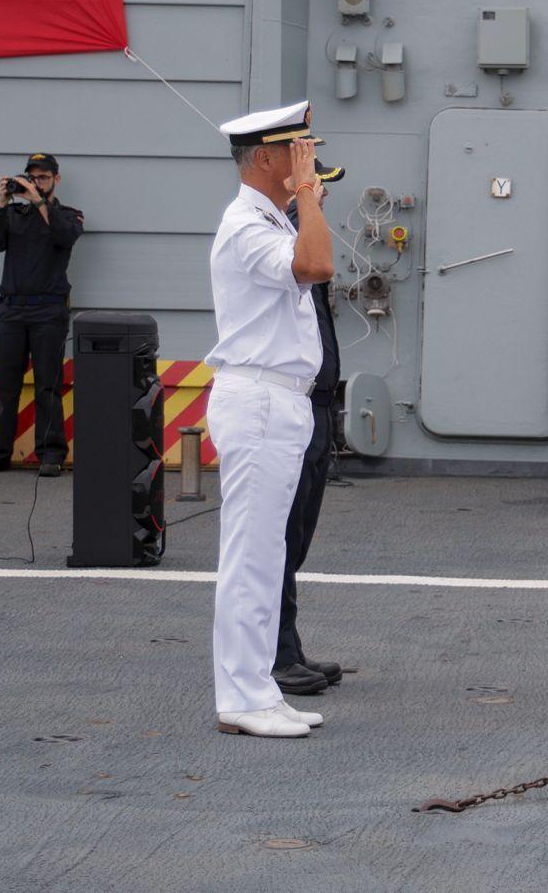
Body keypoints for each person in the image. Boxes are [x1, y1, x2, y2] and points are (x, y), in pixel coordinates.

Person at [206, 101, 334, 738]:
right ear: (265, 158)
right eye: (297, 153)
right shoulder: (246, 225)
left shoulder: (267, 219)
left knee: (265, 552)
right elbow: (317, 266)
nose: (305, 164)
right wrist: (308, 196)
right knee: (251, 556)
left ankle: (258, 687)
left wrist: (303, 197)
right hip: (257, 400)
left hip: (279, 400)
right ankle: (240, 697)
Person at [273, 159, 347, 697]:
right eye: (318, 186)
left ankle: (288, 647)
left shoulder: (306, 237)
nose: (324, 196)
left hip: (318, 406)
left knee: (296, 539)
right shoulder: (283, 243)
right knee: (278, 539)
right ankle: (275, 655)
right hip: (292, 407)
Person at [0, 154, 84, 477]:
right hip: (11, 310)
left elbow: (66, 237)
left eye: (44, 178)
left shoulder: (68, 215)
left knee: (48, 385)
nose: (37, 183)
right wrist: (2, 204)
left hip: (48, 311)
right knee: (7, 386)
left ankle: (51, 455)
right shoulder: (13, 214)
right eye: (32, 178)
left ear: (56, 180)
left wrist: (38, 202)